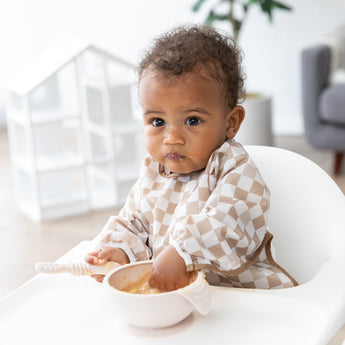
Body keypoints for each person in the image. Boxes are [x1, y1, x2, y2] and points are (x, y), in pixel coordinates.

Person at [85, 24, 298, 291]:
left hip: (237, 295)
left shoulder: (233, 167)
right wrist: (118, 250)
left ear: (231, 122)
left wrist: (182, 252)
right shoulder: (153, 171)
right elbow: (133, 221)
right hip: (178, 297)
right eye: (158, 121)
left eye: (192, 120)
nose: (172, 137)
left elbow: (229, 222)